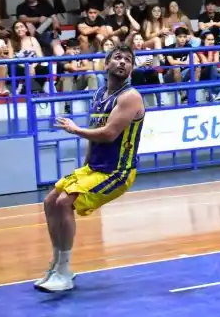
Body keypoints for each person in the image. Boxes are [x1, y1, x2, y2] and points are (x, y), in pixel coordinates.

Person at [35, 44, 145, 292]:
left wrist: (75, 130)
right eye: (118, 57)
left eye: (128, 60)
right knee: (50, 201)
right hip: (95, 168)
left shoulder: (130, 97)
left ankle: (64, 271)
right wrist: (84, 168)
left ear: (131, 69)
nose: (123, 62)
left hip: (117, 171)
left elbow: (108, 134)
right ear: (106, 64)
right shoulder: (98, 95)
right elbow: (95, 136)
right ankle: (57, 265)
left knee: (65, 202)